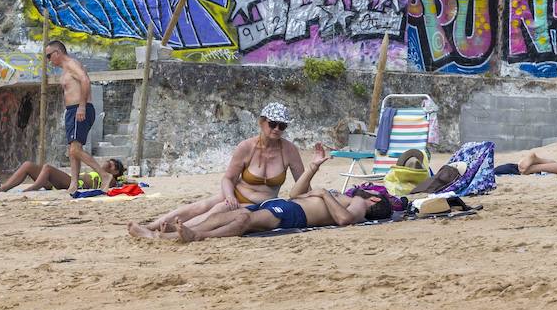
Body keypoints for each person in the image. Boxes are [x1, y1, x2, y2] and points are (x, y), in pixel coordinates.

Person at [130, 144, 391, 242]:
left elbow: (344, 221)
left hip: (293, 215)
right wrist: (312, 168)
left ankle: (190, 236)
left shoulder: (358, 204)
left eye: (370, 191)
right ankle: (165, 230)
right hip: (287, 205)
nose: (365, 189)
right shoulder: (344, 198)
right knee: (224, 211)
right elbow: (297, 193)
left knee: (243, 220)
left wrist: (323, 194)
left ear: (374, 199)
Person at [137, 103, 304, 235]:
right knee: (200, 206)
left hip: (260, 203)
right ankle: (152, 226)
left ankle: (177, 228)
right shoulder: (246, 147)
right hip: (235, 194)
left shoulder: (289, 151)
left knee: (217, 210)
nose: (276, 129)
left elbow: (302, 185)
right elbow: (228, 178)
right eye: (273, 123)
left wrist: (315, 168)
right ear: (262, 122)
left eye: (282, 126)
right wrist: (230, 196)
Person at [45, 41, 116, 196]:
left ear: (57, 52)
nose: (48, 60)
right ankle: (74, 184)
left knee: (75, 150)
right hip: (73, 110)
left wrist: (82, 106)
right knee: (73, 151)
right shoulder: (66, 69)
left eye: (49, 56)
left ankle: (104, 175)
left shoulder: (71, 63)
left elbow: (85, 80)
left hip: (79, 108)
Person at [0, 158, 127, 193]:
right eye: (109, 161)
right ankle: (4, 187)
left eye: (113, 165)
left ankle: (32, 188)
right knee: (28, 165)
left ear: (115, 173)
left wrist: (125, 179)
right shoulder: (97, 171)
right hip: (65, 181)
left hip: (73, 183)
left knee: (47, 168)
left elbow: (124, 182)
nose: (110, 163)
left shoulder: (110, 179)